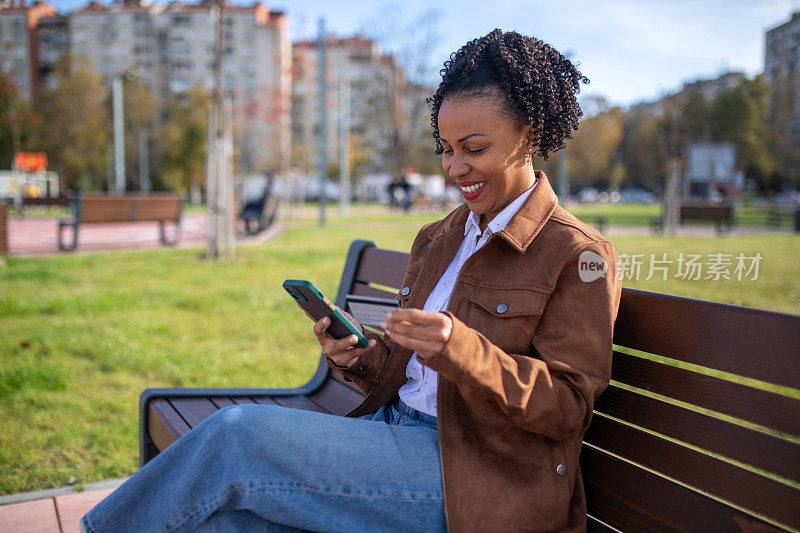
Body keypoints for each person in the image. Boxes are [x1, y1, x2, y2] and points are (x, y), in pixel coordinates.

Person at [82, 29, 621, 532]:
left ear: (528, 136)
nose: (455, 168)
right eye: (446, 149)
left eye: (473, 149)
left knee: (236, 435)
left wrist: (461, 349)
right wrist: (358, 357)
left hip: (476, 478)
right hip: (391, 434)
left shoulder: (576, 254)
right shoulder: (441, 237)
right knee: (228, 523)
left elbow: (569, 406)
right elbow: (410, 376)